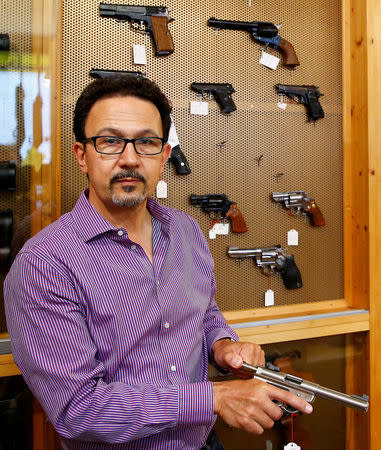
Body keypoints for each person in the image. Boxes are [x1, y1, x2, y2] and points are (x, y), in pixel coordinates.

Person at [4, 76, 312, 449]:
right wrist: (214, 398)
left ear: (165, 155)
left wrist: (223, 345)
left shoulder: (185, 230)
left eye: (146, 142)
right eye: (110, 141)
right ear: (82, 156)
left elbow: (205, 311)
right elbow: (79, 409)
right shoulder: (44, 265)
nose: (130, 158)